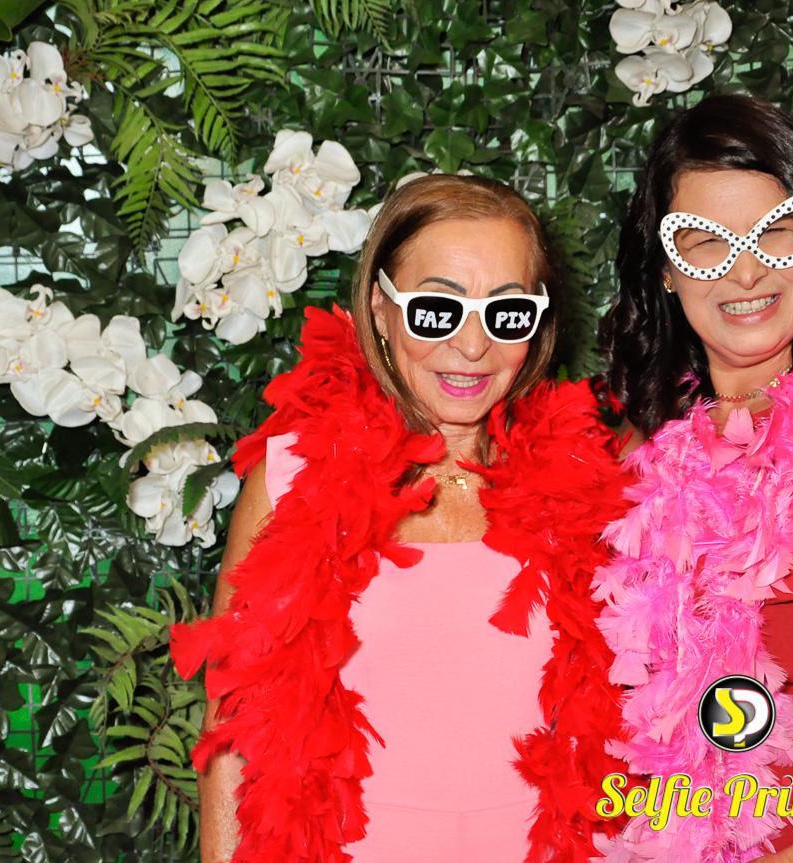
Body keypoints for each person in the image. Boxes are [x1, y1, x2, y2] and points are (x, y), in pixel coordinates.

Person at [169, 174, 634, 863]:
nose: (472, 346)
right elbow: (233, 730)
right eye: (437, 311)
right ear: (381, 308)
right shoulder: (291, 478)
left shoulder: (590, 485)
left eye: (507, 313)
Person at [598, 93, 793, 862]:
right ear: (665, 270)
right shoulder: (628, 452)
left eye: (775, 231)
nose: (745, 270)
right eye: (704, 242)